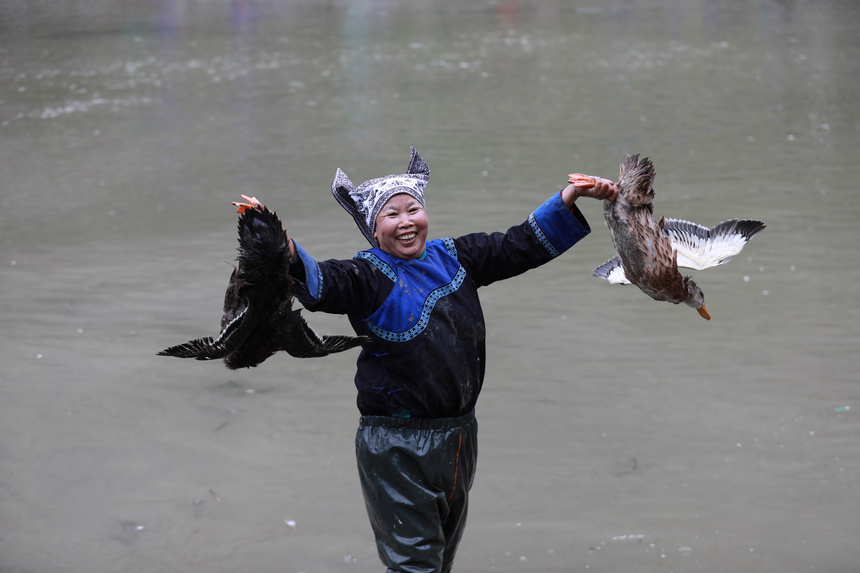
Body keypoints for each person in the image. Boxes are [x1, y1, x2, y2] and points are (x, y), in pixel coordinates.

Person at [233, 148, 617, 573]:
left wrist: (568, 197)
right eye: (392, 214)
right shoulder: (367, 276)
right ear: (373, 228)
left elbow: (517, 245)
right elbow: (325, 283)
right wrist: (283, 248)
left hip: (459, 436)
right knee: (414, 565)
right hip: (395, 444)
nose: (406, 222)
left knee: (440, 558)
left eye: (413, 209)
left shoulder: (456, 257)